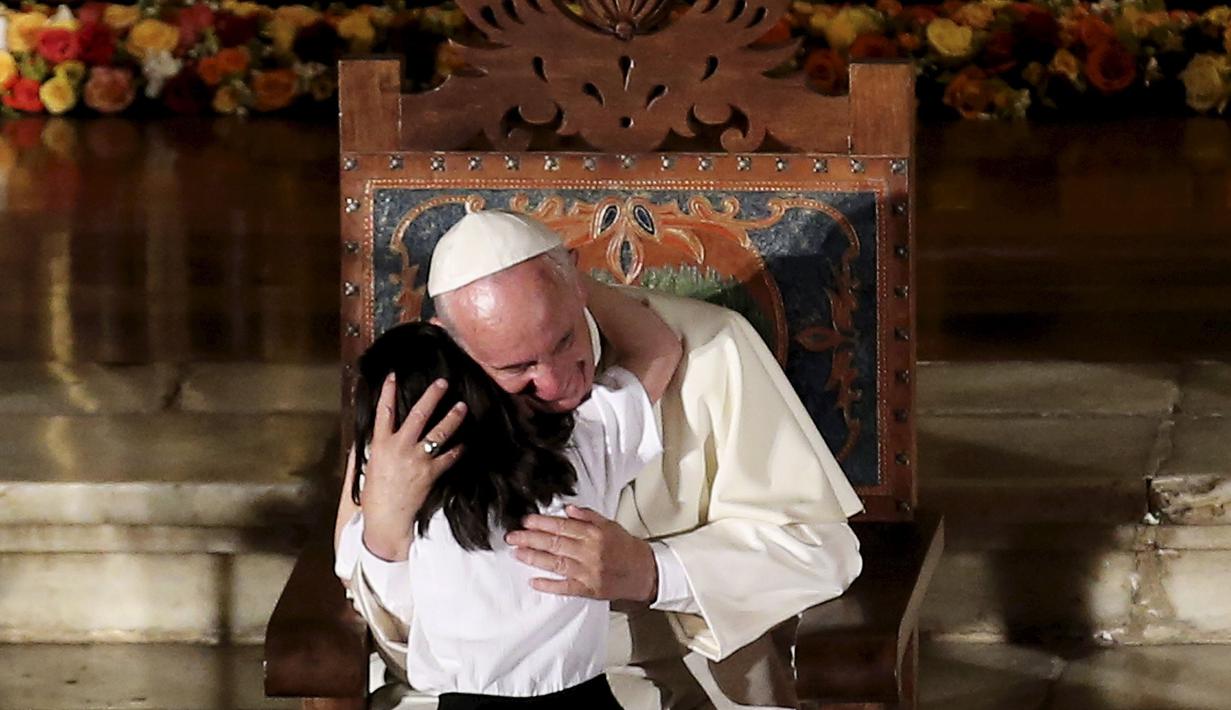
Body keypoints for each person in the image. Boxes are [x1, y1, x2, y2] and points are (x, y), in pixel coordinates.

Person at [335, 209, 865, 710]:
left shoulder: (714, 348)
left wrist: (654, 571)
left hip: (697, 682)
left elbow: (823, 552)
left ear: (577, 280)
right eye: (517, 367)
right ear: (455, 340)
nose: (556, 382)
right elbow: (388, 611)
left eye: (565, 339)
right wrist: (384, 519)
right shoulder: (426, 405)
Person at [336, 275, 681, 709]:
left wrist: (376, 479)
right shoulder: (581, 446)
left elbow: (358, 578)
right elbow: (657, 347)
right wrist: (568, 282)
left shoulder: (403, 515)